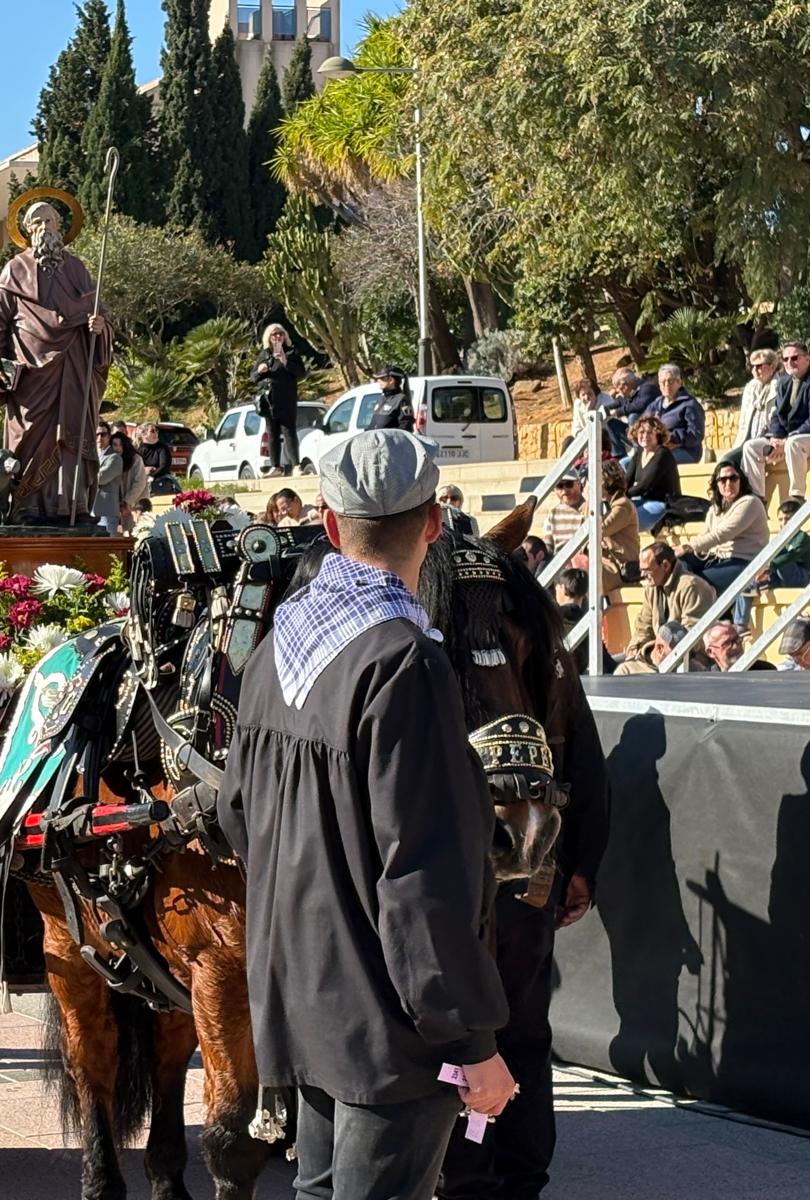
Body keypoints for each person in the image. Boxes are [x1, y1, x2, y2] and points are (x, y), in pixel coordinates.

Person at [217, 430, 515, 1200]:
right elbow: (424, 872)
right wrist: (471, 1040)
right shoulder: (403, 661)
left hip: (301, 997)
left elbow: (236, 813)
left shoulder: (281, 642)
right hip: (390, 1028)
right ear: (435, 525)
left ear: (326, 524)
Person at [0, 200, 114, 524]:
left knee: (74, 436)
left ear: (60, 227)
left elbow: (100, 314)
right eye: (36, 222)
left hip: (73, 365)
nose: (44, 227)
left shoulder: (78, 269)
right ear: (27, 231)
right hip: (31, 375)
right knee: (30, 438)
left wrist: (101, 327)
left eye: (50, 220)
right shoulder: (15, 269)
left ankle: (74, 507)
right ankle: (27, 507)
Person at [741, 341, 810, 501]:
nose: (789, 363)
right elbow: (777, 416)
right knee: (750, 447)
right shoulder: (784, 382)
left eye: (794, 358)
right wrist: (776, 439)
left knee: (794, 443)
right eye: (785, 359)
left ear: (807, 358)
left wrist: (786, 440)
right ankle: (757, 499)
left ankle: (797, 496)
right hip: (789, 437)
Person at [677, 461, 769, 602]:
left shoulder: (750, 503)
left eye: (733, 478)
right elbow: (705, 534)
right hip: (716, 558)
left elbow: (723, 534)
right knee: (673, 566)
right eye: (723, 480)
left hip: (744, 561)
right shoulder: (716, 508)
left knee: (696, 583)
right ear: (717, 484)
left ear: (741, 480)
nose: (728, 483)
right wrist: (679, 552)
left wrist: (688, 547)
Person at [619, 542, 717, 670]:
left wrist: (649, 650)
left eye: (647, 570)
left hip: (689, 660)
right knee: (624, 669)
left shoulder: (692, 587)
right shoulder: (652, 587)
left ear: (665, 565)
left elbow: (691, 636)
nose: (642, 575)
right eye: (641, 570)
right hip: (658, 655)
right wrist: (635, 647)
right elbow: (644, 624)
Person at [253, 323, 303, 477]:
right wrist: (260, 370)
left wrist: (285, 361)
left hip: (287, 399)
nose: (278, 337)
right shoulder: (264, 355)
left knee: (289, 432)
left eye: (280, 334)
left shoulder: (291, 352)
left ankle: (296, 465)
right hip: (269, 401)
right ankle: (275, 466)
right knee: (272, 434)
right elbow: (253, 377)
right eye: (274, 334)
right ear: (268, 337)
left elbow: (301, 372)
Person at [721, 348, 782, 470]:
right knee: (725, 462)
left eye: (759, 366)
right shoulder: (750, 388)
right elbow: (744, 422)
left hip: (768, 438)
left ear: (772, 366)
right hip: (746, 439)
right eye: (752, 366)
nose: (755, 370)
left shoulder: (780, 386)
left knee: (728, 461)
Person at [625, 415, 682, 533]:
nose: (645, 436)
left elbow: (645, 486)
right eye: (641, 432)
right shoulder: (639, 453)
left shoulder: (663, 454)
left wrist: (621, 495)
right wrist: (616, 495)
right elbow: (627, 480)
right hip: (643, 501)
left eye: (650, 432)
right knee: (611, 514)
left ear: (658, 435)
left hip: (663, 504)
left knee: (625, 521)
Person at [640, 363, 704, 464]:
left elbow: (696, 434)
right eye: (663, 382)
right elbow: (641, 424)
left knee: (657, 461)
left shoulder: (689, 404)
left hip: (685, 450)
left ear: (679, 382)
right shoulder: (655, 405)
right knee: (627, 463)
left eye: (670, 381)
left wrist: (673, 439)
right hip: (657, 448)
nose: (666, 385)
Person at [596, 459, 640, 586]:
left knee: (584, 571)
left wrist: (589, 499)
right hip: (609, 563)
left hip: (622, 568)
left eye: (598, 480)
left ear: (609, 481)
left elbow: (599, 530)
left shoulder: (623, 506)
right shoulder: (607, 505)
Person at [701, 620, 776, 671]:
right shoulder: (705, 682)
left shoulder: (765, 671)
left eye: (737, 639)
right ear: (710, 652)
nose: (735, 646)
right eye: (727, 643)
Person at [90, 427, 125, 534]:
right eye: (97, 435)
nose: (99, 438)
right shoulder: (93, 455)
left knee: (108, 548)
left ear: (109, 436)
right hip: (91, 512)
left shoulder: (115, 458)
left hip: (106, 512)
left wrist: (84, 474)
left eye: (103, 434)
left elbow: (101, 478)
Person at [541, 474, 586, 555]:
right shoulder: (553, 514)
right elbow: (548, 547)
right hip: (560, 563)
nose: (564, 490)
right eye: (560, 486)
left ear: (579, 484)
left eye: (569, 484)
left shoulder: (591, 508)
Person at [366, 364, 415, 432]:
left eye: (382, 378)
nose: (378, 381)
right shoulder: (382, 399)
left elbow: (405, 429)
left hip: (390, 442)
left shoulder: (401, 400)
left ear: (391, 380)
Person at [115, 431, 148, 530]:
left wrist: (127, 501)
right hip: (122, 506)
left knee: (137, 532)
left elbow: (140, 482)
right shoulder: (114, 461)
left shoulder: (136, 460)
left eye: (120, 445)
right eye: (115, 445)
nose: (117, 448)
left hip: (137, 503)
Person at [136, 422, 173, 489]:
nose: (156, 433)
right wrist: (144, 470)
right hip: (142, 482)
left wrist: (152, 475)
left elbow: (164, 466)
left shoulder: (163, 448)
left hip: (162, 482)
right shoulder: (138, 451)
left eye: (156, 431)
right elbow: (135, 468)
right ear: (144, 434)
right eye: (152, 431)